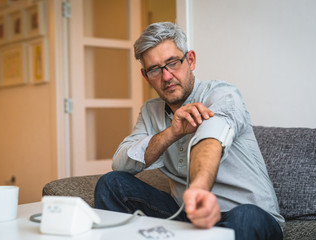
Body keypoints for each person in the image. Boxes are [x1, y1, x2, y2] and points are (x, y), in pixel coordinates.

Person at [94, 22, 284, 240]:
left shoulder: (222, 95)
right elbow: (120, 163)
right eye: (155, 69)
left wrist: (200, 189)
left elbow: (210, 141)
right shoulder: (150, 111)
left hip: (248, 216)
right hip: (186, 219)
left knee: (245, 216)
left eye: (172, 63)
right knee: (112, 183)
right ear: (146, 76)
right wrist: (171, 133)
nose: (166, 77)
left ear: (190, 60)